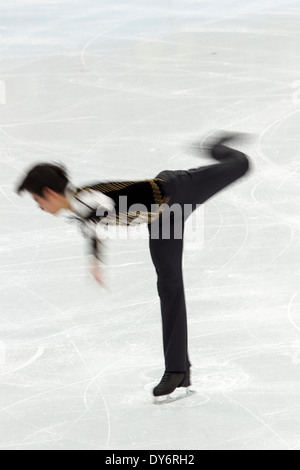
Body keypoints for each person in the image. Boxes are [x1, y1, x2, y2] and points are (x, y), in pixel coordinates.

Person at [15, 133, 251, 399]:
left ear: (48, 193)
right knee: (169, 286)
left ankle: (216, 148)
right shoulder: (79, 204)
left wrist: (95, 252)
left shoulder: (87, 198)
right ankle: (178, 370)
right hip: (163, 221)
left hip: (177, 191)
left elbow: (100, 207)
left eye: (38, 200)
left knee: (241, 164)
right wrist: (95, 259)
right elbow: (93, 221)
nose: (40, 207)